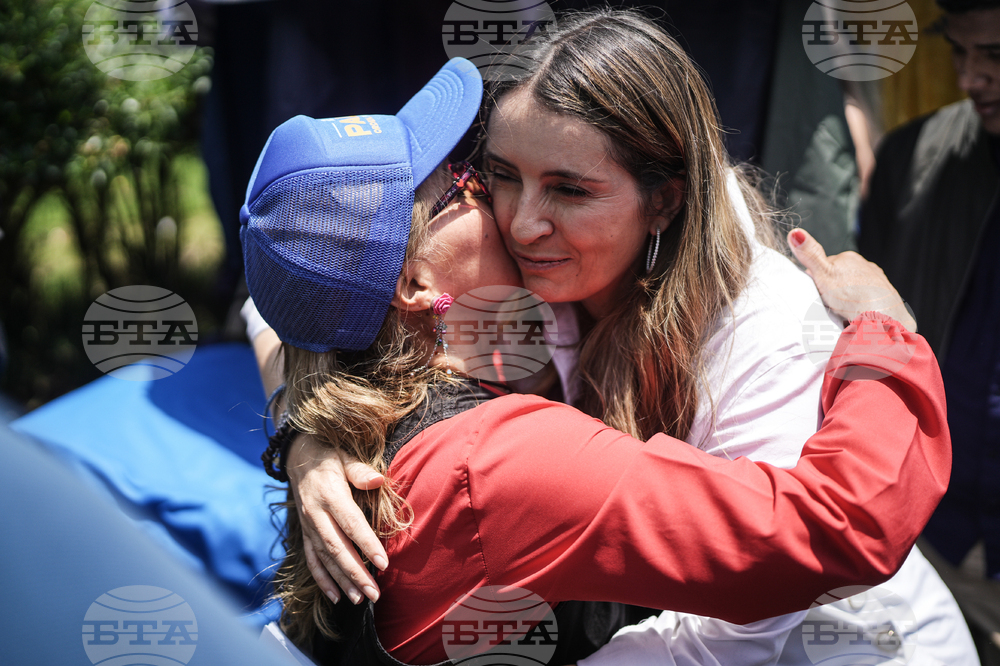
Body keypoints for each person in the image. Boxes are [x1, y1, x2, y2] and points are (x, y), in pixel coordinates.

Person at [280, 10, 977, 665]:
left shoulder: (769, 331)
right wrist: (310, 443)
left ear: (665, 197)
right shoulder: (510, 295)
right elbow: (297, 283)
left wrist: (885, 337)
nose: (521, 222)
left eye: (570, 190)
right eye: (491, 177)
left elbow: (765, 602)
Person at [858, 0, 1000, 655]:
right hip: (928, 540)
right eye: (960, 54)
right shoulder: (914, 159)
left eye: (994, 57)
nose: (971, 79)